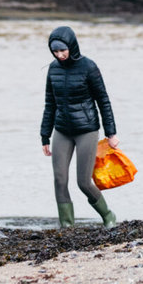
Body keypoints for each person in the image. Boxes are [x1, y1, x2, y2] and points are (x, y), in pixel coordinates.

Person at [40, 25, 119, 229]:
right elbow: (50, 103)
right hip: (62, 130)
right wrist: (44, 136)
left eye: (62, 50)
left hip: (87, 130)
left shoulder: (88, 67)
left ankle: (108, 216)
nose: (59, 55)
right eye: (55, 51)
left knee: (83, 182)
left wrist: (111, 133)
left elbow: (103, 100)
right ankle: (67, 226)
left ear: (72, 46)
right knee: (59, 179)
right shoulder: (53, 68)